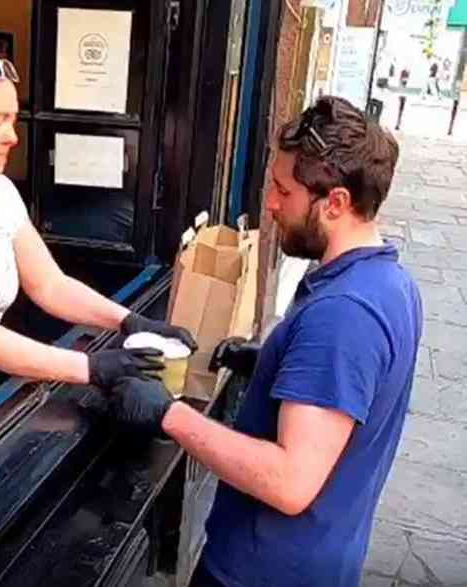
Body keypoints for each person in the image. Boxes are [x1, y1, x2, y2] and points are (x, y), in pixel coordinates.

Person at [105, 96, 422, 586]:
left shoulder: (342, 315)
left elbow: (290, 481)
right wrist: (270, 362)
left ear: (335, 202)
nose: (271, 205)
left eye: (283, 191)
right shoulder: (389, 283)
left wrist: (168, 413)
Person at [0, 28, 197, 455]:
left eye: (13, 119)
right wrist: (91, 367)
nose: (13, 135)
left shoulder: (1, 192)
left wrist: (129, 321)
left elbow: (49, 285)